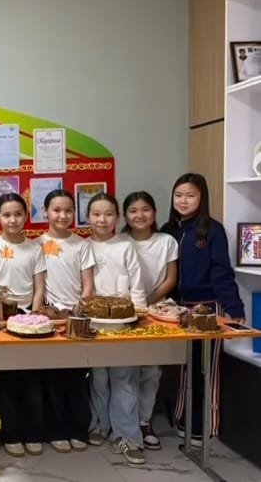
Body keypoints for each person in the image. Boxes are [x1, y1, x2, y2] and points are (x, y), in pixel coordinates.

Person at [160, 173, 244, 444]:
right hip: (174, 310)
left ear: (202, 198)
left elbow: (222, 272)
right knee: (182, 368)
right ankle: (184, 421)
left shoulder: (212, 230)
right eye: (178, 195)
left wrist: (234, 307)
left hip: (206, 309)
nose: (183, 201)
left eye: (190, 195)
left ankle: (203, 426)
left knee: (205, 369)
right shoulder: (168, 230)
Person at [0, 193, 47, 457]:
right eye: (6, 215)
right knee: (5, 379)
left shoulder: (35, 248)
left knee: (31, 378)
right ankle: (10, 434)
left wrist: (34, 316)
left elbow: (39, 288)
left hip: (29, 319)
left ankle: (33, 433)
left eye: (18, 214)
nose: (13, 220)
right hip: (0, 319)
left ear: (26, 216)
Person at [86, 193, 147, 465]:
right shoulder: (82, 247)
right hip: (93, 325)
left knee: (124, 379)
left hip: (124, 325)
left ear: (117, 217)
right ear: (87, 217)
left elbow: (137, 286)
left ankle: (127, 436)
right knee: (98, 379)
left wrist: (139, 319)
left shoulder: (125, 246)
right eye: (96, 214)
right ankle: (100, 425)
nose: (102, 220)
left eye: (108, 214)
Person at [36, 189, 95, 453]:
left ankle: (77, 428)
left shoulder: (82, 245)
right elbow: (37, 284)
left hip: (76, 320)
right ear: (45, 212)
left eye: (68, 210)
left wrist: (78, 311)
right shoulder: (37, 244)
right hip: (48, 320)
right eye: (56, 210)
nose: (62, 215)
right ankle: (55, 430)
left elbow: (88, 284)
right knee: (51, 375)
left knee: (76, 376)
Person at [120, 191, 178, 450]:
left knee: (151, 371)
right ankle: (124, 423)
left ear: (154, 213)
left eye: (145, 209)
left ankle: (144, 421)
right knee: (125, 370)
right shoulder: (119, 241)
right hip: (124, 313)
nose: (139, 215)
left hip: (156, 311)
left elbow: (171, 279)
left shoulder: (166, 241)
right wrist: (131, 306)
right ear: (125, 215)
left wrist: (145, 303)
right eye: (133, 210)